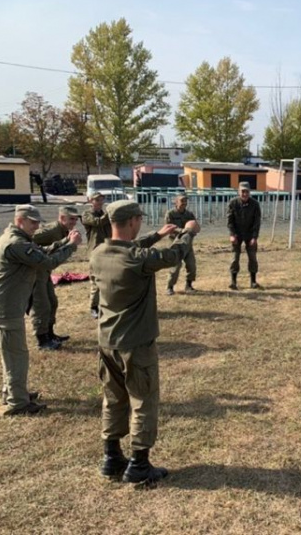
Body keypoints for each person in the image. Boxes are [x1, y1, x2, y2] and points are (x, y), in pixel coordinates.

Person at [90, 200, 195, 488]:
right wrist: (187, 233)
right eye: (139, 220)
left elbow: (131, 248)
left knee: (112, 398)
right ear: (134, 221)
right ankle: (139, 464)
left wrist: (158, 234)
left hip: (107, 341)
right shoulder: (138, 259)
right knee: (143, 401)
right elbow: (173, 256)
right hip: (135, 343)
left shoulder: (98, 254)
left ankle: (111, 457)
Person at [0, 204, 81, 416]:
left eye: (38, 222)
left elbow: (41, 251)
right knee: (16, 355)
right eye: (33, 222)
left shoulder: (17, 238)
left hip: (9, 304)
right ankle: (17, 403)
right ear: (20, 221)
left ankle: (14, 393)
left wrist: (65, 241)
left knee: (12, 354)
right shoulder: (16, 242)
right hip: (7, 306)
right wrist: (72, 246)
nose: (37, 226)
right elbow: (47, 262)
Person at [30, 205, 80, 349]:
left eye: (76, 219)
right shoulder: (51, 230)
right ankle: (42, 340)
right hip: (35, 272)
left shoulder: (64, 230)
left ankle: (50, 334)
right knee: (41, 306)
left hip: (45, 270)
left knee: (52, 302)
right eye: (71, 219)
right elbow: (21, 240)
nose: (74, 222)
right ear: (62, 218)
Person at [82, 192, 112, 319]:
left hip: (107, 249)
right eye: (97, 200)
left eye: (101, 200)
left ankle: (105, 304)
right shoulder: (87, 214)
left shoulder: (104, 215)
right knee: (95, 282)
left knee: (108, 279)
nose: (100, 202)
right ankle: (93, 307)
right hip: (95, 252)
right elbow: (97, 222)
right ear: (91, 201)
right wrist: (110, 213)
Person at [227, 181, 262, 290]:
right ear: (239, 192)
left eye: (246, 191)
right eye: (242, 191)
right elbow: (230, 220)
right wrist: (232, 234)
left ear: (249, 192)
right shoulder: (233, 203)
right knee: (235, 258)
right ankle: (233, 282)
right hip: (237, 234)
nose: (245, 194)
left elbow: (257, 222)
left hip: (250, 234)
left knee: (252, 258)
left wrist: (254, 237)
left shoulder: (255, 204)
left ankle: (253, 281)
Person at [164, 194, 200, 295]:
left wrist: (194, 230)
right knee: (175, 266)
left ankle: (189, 285)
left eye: (185, 201)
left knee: (191, 265)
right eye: (182, 201)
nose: (184, 203)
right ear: (176, 202)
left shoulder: (189, 214)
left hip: (187, 244)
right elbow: (169, 227)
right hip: (175, 243)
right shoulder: (170, 213)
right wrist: (183, 230)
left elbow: (195, 225)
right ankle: (169, 287)